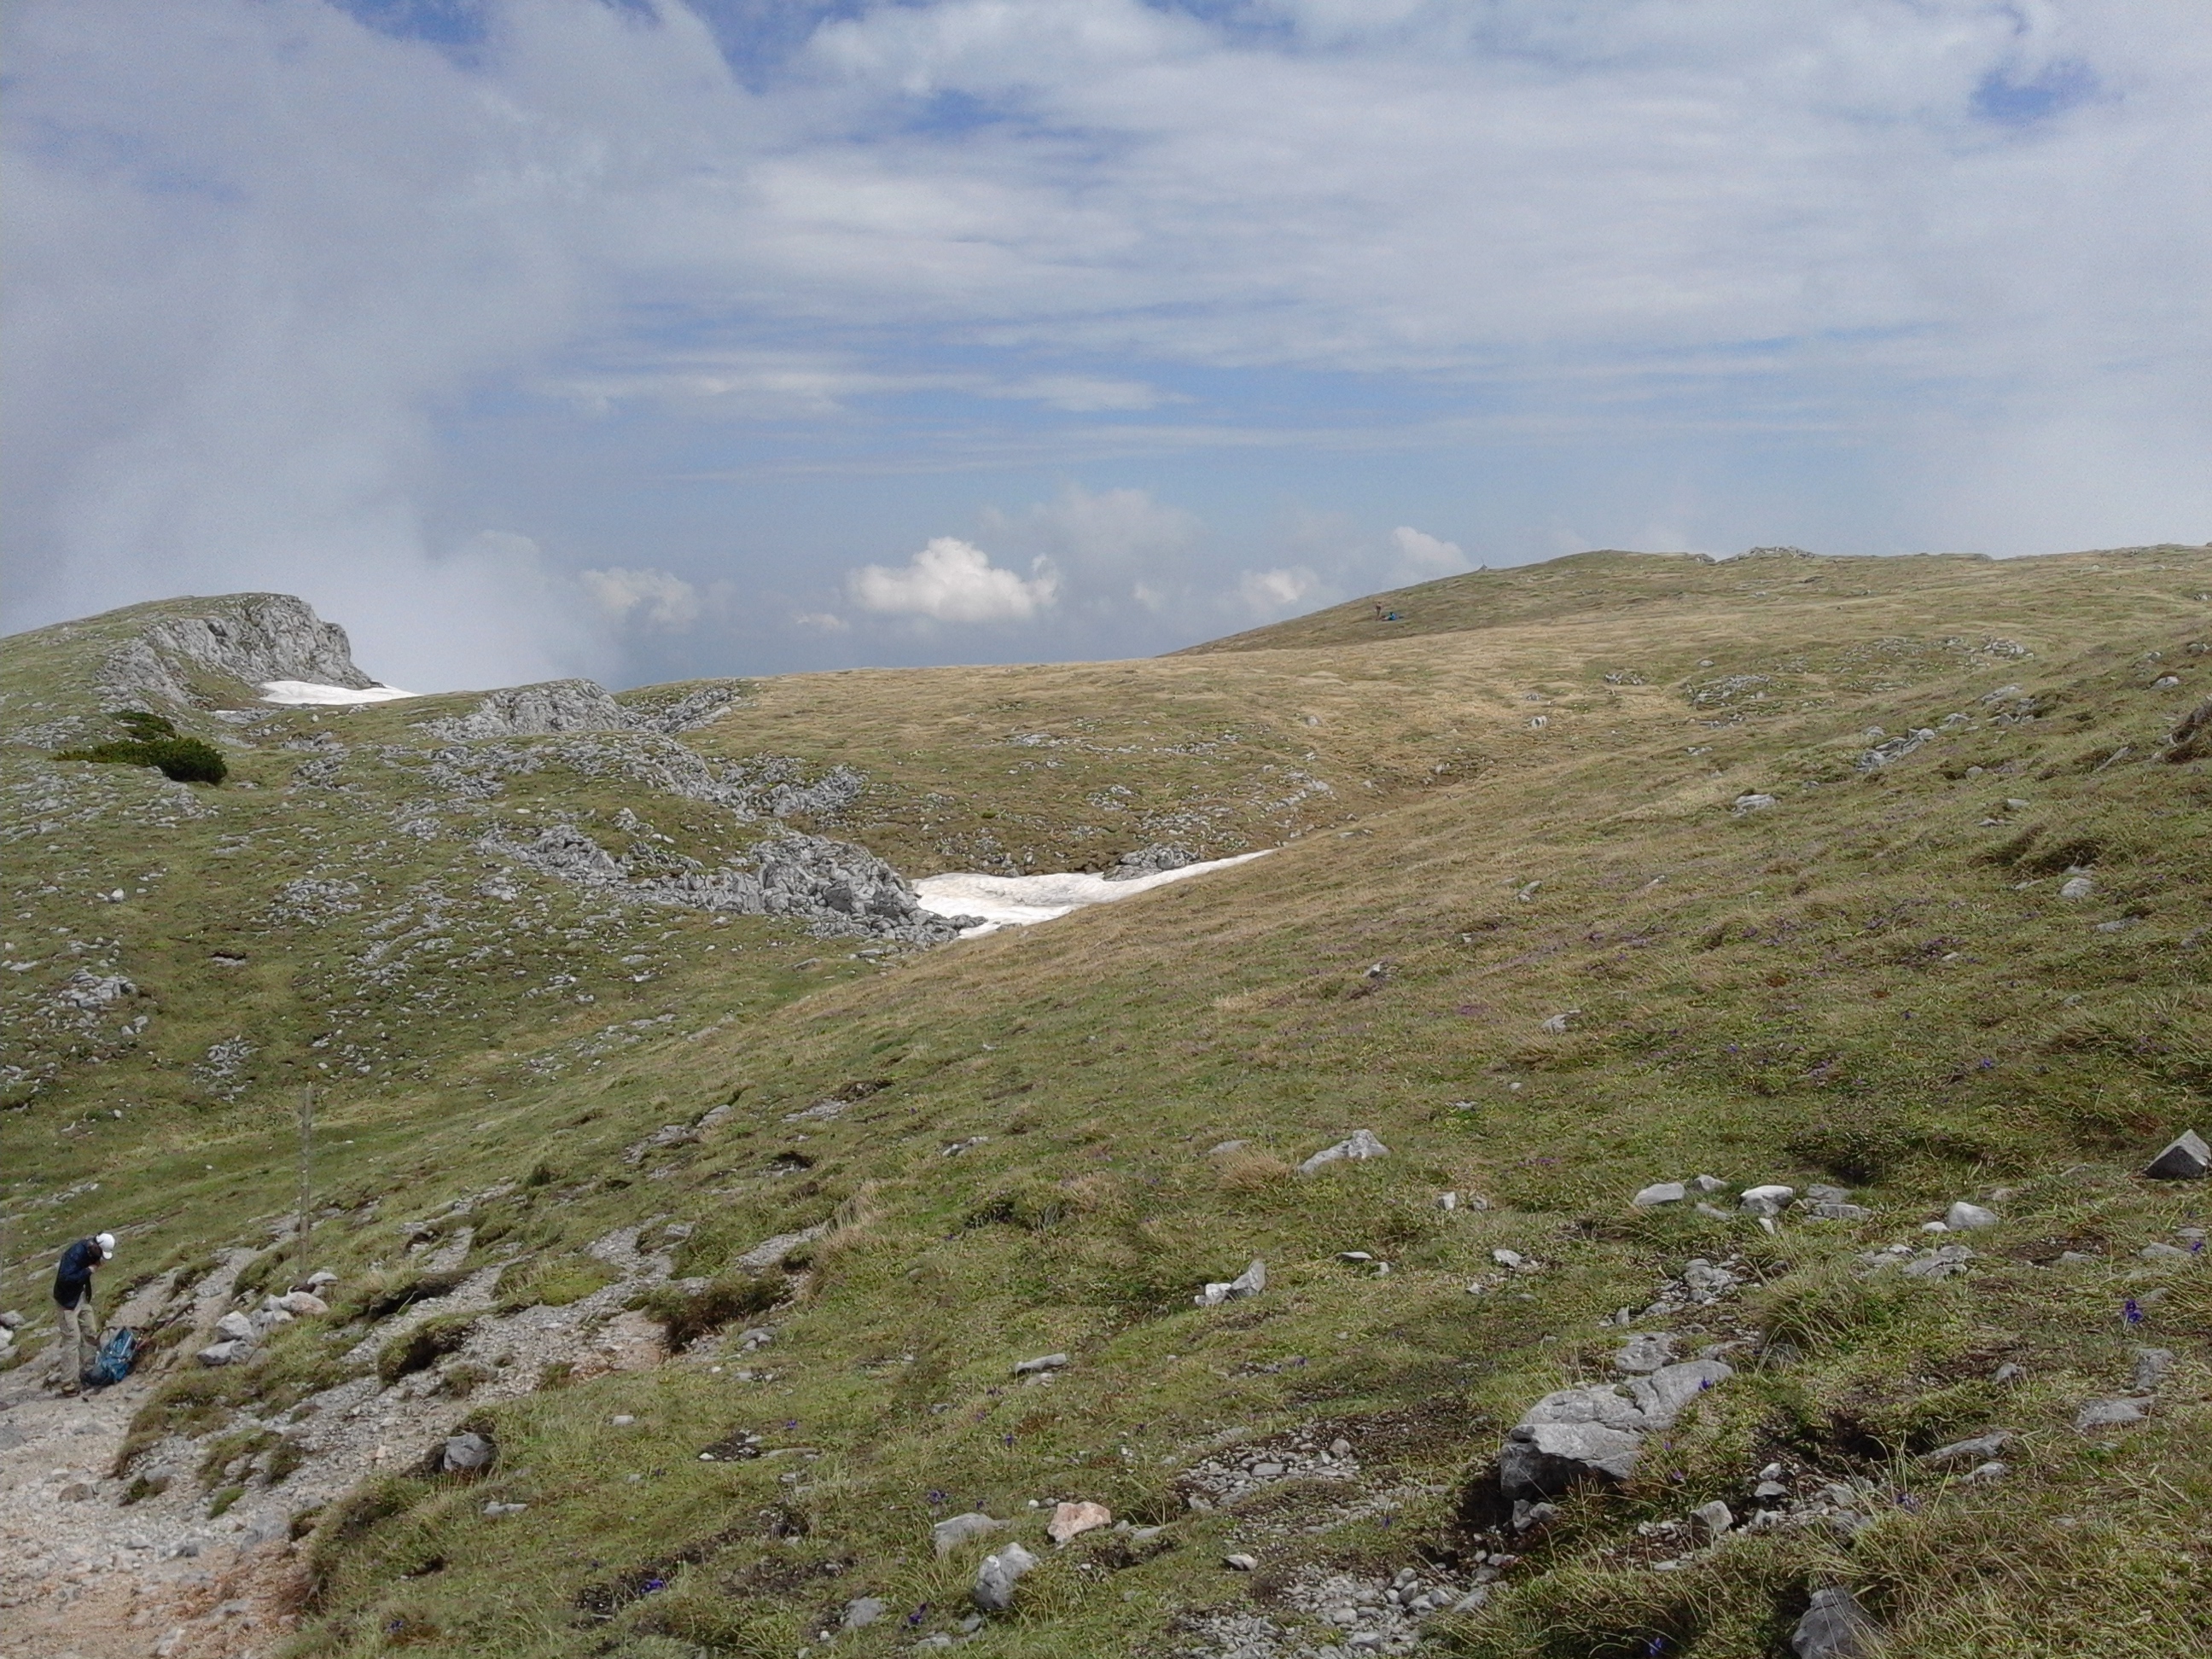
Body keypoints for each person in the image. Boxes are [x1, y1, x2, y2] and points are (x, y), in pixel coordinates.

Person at [52, 1231, 113, 1395]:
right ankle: (68, 1383)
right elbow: (66, 1278)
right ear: (96, 1247)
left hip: (81, 1298)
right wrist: (89, 1271)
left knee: (90, 1331)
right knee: (72, 1340)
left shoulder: (91, 1252)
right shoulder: (74, 1255)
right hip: (67, 1303)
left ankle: (89, 1371)